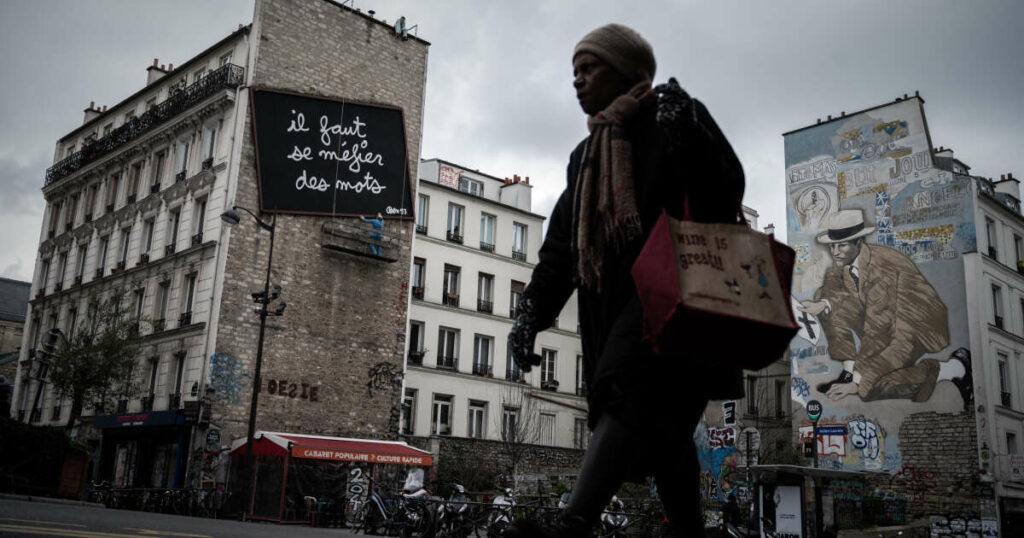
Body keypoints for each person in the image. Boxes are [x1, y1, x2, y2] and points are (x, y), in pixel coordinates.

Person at [506, 23, 746, 537]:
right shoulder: (587, 155)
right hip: (615, 312)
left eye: (589, 68)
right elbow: (562, 251)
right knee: (666, 437)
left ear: (624, 71)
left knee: (625, 390)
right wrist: (529, 316)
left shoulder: (673, 115)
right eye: (574, 71)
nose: (577, 80)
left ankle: (574, 524)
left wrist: (693, 135)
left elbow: (726, 191)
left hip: (681, 304)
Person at [798, 209, 971, 406]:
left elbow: (878, 331)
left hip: (916, 324)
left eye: (842, 245)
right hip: (885, 320)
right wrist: (822, 304)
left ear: (858, 243)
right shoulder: (846, 263)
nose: (835, 252)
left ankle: (954, 368)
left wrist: (859, 381)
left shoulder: (881, 269)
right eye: (832, 246)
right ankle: (849, 370)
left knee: (871, 386)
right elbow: (834, 292)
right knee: (823, 297)